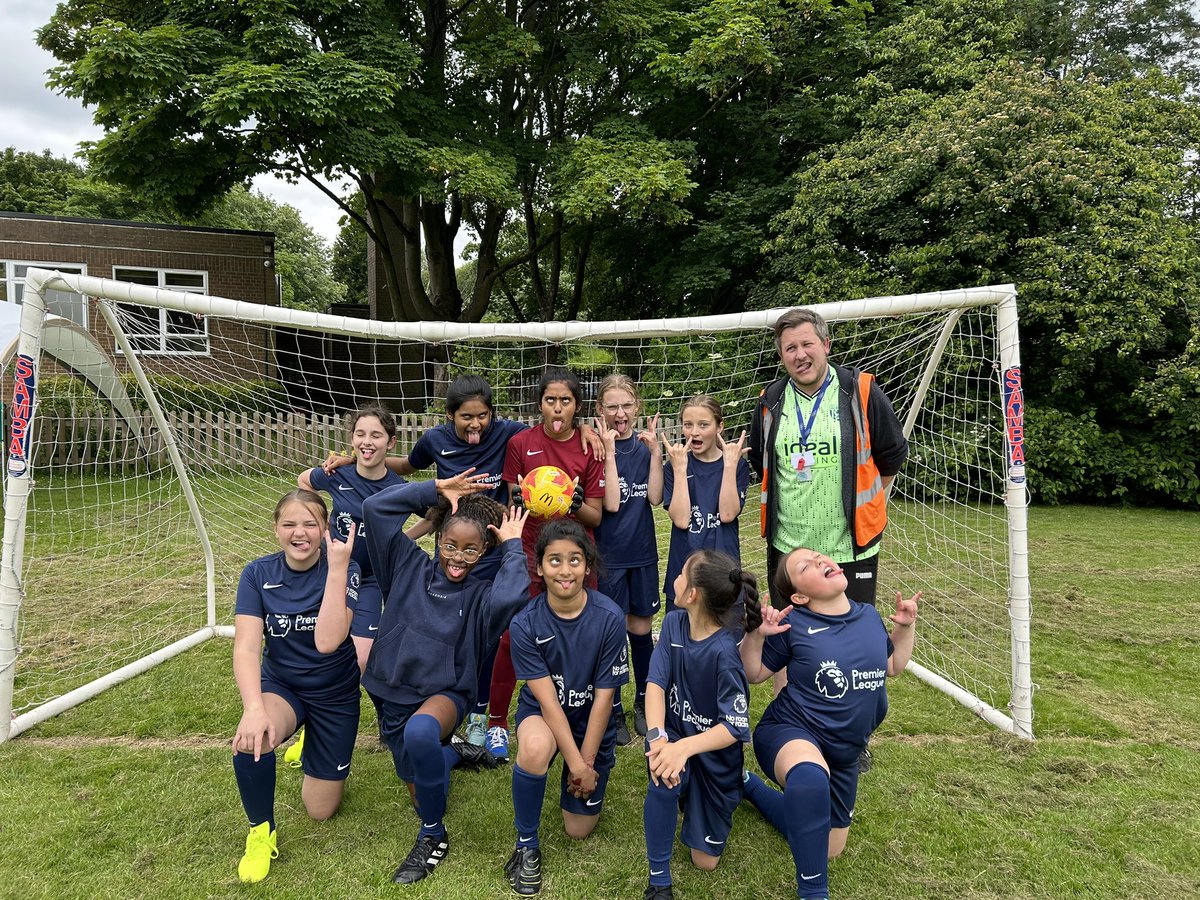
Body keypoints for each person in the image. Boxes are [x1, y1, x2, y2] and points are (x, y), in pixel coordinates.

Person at [322, 375, 600, 748]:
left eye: (483, 415)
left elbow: (552, 427)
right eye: (466, 416)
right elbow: (405, 465)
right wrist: (354, 459)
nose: (475, 424)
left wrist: (585, 429)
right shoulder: (435, 440)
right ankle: (430, 704)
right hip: (452, 546)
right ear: (450, 415)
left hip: (490, 548)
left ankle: (477, 716)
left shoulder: (508, 433)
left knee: (487, 634)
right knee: (440, 628)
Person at [747, 307, 908, 770]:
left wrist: (869, 508)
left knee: (853, 648)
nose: (799, 355)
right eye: (789, 348)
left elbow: (892, 454)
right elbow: (760, 462)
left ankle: (852, 736)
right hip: (788, 550)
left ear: (826, 345)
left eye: (806, 344)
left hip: (848, 549)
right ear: (781, 356)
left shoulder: (860, 390)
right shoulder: (771, 399)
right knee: (787, 642)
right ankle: (792, 728)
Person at [359, 473, 531, 885]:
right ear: (437, 541)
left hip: (446, 694)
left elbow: (514, 594)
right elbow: (374, 509)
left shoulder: (481, 596)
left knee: (421, 736)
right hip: (389, 689)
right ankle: (457, 754)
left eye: (471, 550)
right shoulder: (405, 565)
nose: (458, 557)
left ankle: (433, 837)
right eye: (450, 545)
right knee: (420, 781)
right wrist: (433, 490)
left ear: (483, 551)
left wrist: (511, 547)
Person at [739, 548, 919, 900]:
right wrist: (757, 635)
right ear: (799, 596)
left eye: (820, 556)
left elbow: (894, 664)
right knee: (810, 779)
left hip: (845, 751)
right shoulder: (795, 624)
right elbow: (754, 673)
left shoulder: (867, 615)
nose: (821, 560)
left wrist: (906, 627)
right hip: (790, 732)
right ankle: (813, 892)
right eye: (806, 565)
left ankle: (749, 786)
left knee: (827, 847)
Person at [230, 489, 361, 884]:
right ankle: (260, 832)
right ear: (275, 529)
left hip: (335, 695)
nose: (298, 533)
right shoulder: (257, 574)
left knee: (320, 810)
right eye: (289, 524)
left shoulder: (345, 568)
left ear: (324, 530)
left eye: (309, 524)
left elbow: (326, 641)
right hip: (283, 687)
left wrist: (337, 570)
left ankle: (312, 739)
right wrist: (253, 709)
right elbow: (247, 645)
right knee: (253, 740)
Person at [503, 520, 629, 895]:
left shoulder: (609, 618)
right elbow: (548, 703)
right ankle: (526, 844)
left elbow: (605, 698)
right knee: (536, 747)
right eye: (554, 560)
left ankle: (574, 775)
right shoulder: (526, 622)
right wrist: (577, 766)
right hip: (545, 715)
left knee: (577, 831)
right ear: (539, 567)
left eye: (575, 560)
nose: (565, 570)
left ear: (588, 566)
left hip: (590, 721)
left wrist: (584, 765)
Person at [487, 367, 606, 761]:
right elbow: (513, 500)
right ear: (539, 403)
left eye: (566, 400)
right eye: (551, 399)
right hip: (529, 552)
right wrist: (527, 498)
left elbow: (596, 515)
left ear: (577, 406)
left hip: (574, 556)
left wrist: (572, 505)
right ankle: (497, 722)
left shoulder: (589, 447)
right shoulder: (521, 442)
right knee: (511, 634)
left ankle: (583, 712)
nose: (558, 407)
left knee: (583, 637)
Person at [641, 550, 757, 900]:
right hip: (677, 739)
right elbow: (655, 685)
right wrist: (658, 738)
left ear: (692, 594)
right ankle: (659, 881)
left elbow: (733, 728)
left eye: (680, 574)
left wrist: (684, 748)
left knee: (704, 861)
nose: (674, 577)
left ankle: (744, 784)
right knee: (662, 771)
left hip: (714, 759)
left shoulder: (724, 653)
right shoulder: (675, 623)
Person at [594, 374, 663, 739]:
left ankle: (642, 700)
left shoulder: (643, 447)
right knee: (612, 632)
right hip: (609, 558)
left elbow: (653, 498)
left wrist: (655, 454)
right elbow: (612, 503)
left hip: (642, 556)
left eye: (626, 405)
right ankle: (614, 709)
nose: (620, 414)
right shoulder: (595, 449)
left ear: (637, 407)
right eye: (612, 406)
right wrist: (606, 452)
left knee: (640, 629)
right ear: (599, 410)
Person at [661, 395, 750, 612]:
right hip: (685, 567)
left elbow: (728, 514)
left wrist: (729, 466)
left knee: (726, 641)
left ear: (720, 426)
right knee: (683, 639)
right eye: (688, 424)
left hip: (723, 568)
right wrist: (680, 469)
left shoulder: (737, 466)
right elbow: (682, 520)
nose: (694, 432)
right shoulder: (675, 465)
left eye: (703, 425)